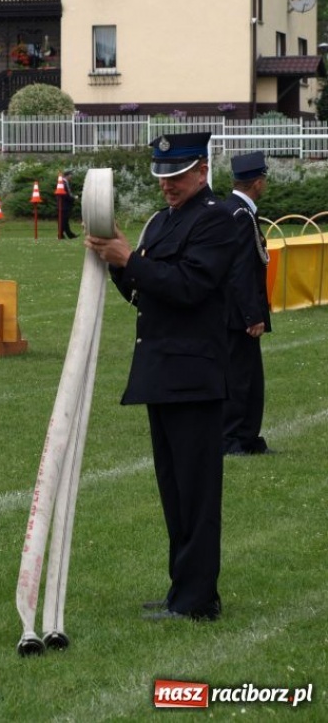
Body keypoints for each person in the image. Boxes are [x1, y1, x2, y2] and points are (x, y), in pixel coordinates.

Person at [85, 132, 236, 622]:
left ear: (201, 172)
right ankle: (182, 589)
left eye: (176, 177)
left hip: (193, 375)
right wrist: (115, 263)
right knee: (174, 490)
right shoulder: (162, 222)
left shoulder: (216, 218)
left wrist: (132, 261)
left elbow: (191, 286)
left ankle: (197, 599)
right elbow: (145, 294)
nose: (167, 186)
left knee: (196, 493)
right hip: (163, 371)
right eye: (162, 177)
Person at [222, 151, 273, 455]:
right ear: (257, 183)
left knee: (252, 379)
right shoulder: (240, 216)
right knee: (238, 378)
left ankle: (248, 437)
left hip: (239, 311)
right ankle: (231, 438)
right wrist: (252, 315)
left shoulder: (238, 211)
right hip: (237, 314)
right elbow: (240, 271)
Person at [60, 169, 79, 239]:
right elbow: (66, 195)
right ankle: (61, 235)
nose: (72, 177)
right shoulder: (64, 183)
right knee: (64, 220)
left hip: (63, 204)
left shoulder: (63, 182)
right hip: (64, 205)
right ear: (67, 175)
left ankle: (68, 235)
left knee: (65, 220)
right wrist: (74, 198)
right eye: (71, 175)